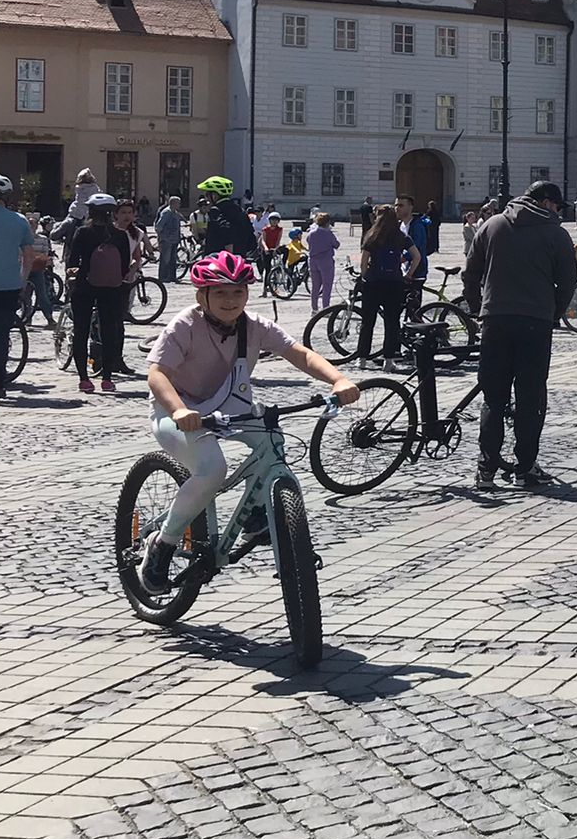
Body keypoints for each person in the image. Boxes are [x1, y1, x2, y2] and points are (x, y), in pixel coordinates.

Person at [135, 252, 361, 592]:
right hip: (177, 411)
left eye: (238, 292)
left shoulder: (254, 326)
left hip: (231, 406)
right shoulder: (184, 325)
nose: (230, 301)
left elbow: (300, 354)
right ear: (202, 296)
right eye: (221, 292)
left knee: (271, 439)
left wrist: (338, 380)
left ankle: (257, 515)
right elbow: (157, 375)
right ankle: (162, 544)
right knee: (212, 470)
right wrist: (180, 410)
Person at [462, 180, 577, 488]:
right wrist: (553, 313)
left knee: (493, 398)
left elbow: (470, 272)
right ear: (544, 202)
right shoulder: (556, 234)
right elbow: (568, 281)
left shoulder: (492, 226)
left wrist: (477, 307)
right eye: (556, 205)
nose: (558, 211)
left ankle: (485, 470)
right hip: (535, 323)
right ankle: (526, 468)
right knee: (530, 398)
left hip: (495, 320)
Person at [66, 194, 136, 393]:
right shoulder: (120, 235)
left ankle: (84, 379)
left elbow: (72, 261)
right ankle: (107, 379)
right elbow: (124, 267)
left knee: (81, 330)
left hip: (85, 287)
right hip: (111, 289)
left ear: (90, 212)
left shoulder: (82, 232)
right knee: (109, 331)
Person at [0, 175, 38, 398]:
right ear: (7, 196)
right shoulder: (19, 221)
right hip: (7, 286)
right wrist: (22, 281)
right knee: (0, 335)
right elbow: (28, 257)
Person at [354, 205, 419, 368]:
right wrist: (408, 274)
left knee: (367, 322)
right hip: (394, 283)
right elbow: (417, 257)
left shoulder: (372, 236)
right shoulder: (401, 236)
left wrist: (365, 276)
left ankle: (362, 358)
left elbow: (363, 262)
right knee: (392, 322)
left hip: (373, 283)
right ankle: (388, 360)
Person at [195, 176, 256, 259]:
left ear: (214, 196)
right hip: (240, 260)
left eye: (207, 195)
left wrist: (229, 254)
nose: (206, 199)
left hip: (219, 260)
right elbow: (250, 234)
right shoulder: (239, 210)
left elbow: (225, 229)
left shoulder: (215, 210)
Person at [153, 196, 184, 284]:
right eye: (178, 203)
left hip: (174, 239)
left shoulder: (175, 212)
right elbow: (159, 226)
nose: (179, 205)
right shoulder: (166, 212)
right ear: (173, 203)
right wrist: (162, 237)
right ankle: (163, 277)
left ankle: (172, 277)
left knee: (173, 259)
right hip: (167, 240)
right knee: (165, 259)